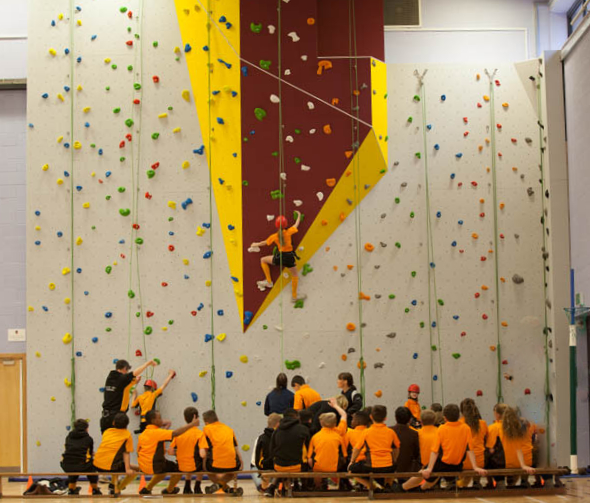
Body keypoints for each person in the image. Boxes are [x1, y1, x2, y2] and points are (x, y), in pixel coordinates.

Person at [400, 403, 486, 492]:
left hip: (444, 464)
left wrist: (429, 468)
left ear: (445, 418)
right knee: (433, 475)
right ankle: (421, 489)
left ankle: (403, 488)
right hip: (457, 466)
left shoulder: (442, 428)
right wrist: (475, 467)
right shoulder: (466, 428)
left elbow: (435, 451)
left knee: (424, 472)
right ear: (459, 415)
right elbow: (470, 449)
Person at [137, 410, 199, 495]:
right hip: (155, 466)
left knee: (164, 467)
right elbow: (175, 433)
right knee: (179, 468)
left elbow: (139, 451)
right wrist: (191, 424)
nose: (162, 420)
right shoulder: (158, 432)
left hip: (143, 466)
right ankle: (169, 490)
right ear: (153, 421)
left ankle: (147, 488)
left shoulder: (142, 434)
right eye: (159, 418)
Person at [250, 210, 306, 302]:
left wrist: (255, 244)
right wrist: (299, 215)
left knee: (263, 260)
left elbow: (264, 242)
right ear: (286, 224)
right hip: (289, 257)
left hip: (280, 257)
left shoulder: (275, 236)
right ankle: (294, 296)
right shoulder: (289, 232)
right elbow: (296, 224)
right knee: (295, 275)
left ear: (276, 225)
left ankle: (269, 281)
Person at [348, 405, 399, 491]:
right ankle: (387, 484)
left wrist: (352, 461)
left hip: (370, 466)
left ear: (371, 417)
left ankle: (370, 486)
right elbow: (396, 448)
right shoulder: (391, 432)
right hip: (388, 466)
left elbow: (357, 449)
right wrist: (394, 459)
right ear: (385, 418)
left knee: (351, 471)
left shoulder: (366, 432)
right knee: (394, 467)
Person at [100, 359, 157, 433]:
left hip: (105, 417)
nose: (126, 373)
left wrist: (135, 382)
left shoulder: (110, 378)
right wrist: (148, 363)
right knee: (119, 440)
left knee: (107, 441)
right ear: (124, 368)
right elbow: (134, 373)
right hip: (116, 418)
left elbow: (123, 387)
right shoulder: (121, 378)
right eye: (126, 371)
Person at [266, 409, 311, 497]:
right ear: (297, 417)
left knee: (283, 460)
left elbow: (271, 450)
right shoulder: (303, 429)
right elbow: (309, 449)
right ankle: (304, 486)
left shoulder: (276, 431)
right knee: (307, 461)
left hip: (279, 466)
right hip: (298, 467)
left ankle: (272, 487)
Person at [199, 410, 244, 496]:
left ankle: (218, 485)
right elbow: (235, 448)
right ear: (217, 418)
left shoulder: (206, 429)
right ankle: (226, 488)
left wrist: (204, 465)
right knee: (232, 471)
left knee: (208, 470)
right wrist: (241, 462)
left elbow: (203, 454)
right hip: (234, 465)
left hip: (214, 466)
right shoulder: (229, 429)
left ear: (206, 422)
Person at [93, 413, 137, 495]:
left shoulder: (107, 431)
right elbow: (126, 453)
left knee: (118, 462)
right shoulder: (127, 435)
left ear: (113, 423)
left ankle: (112, 485)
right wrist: (128, 469)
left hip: (97, 464)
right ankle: (118, 488)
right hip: (110, 466)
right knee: (133, 472)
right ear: (127, 424)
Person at [167, 407, 204, 494]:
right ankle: (197, 487)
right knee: (201, 460)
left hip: (181, 466)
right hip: (195, 467)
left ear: (184, 418)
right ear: (196, 418)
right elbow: (202, 454)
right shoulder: (200, 434)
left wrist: (181, 452)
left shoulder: (179, 433)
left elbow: (170, 452)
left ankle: (187, 486)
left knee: (189, 458)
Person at [60, 419, 100, 495]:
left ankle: (71, 489)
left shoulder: (68, 437)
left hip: (66, 464)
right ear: (86, 428)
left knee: (73, 464)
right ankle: (95, 489)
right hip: (82, 465)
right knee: (92, 468)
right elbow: (90, 453)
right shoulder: (88, 439)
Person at [308, 413, 347, 489]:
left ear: (321, 423)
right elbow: (344, 455)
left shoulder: (315, 437)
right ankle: (335, 485)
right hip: (335, 468)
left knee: (314, 465)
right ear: (335, 423)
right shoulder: (339, 437)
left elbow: (309, 458)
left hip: (318, 468)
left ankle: (317, 486)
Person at [500, 407, 536, 483]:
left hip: (506, 462)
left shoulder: (499, 428)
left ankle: (509, 481)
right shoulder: (527, 427)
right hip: (525, 459)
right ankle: (525, 480)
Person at [459, 398, 488, 489]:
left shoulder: (459, 424)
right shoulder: (482, 423)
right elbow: (486, 439)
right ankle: (477, 483)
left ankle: (461, 485)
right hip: (479, 461)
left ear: (462, 411)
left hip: (463, 462)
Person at [254, 413, 281, 492]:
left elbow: (257, 456)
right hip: (278, 465)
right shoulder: (280, 436)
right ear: (278, 424)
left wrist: (259, 468)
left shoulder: (261, 437)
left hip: (265, 465)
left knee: (265, 474)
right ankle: (281, 486)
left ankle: (264, 487)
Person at [391, 407, 421, 474]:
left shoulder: (389, 431)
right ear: (410, 420)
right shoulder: (414, 434)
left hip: (391, 469)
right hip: (409, 471)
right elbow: (417, 453)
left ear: (395, 418)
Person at [486, 403, 507, 489]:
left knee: (486, 457)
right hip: (517, 460)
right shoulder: (515, 427)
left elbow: (490, 448)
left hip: (502, 462)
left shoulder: (493, 427)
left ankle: (496, 482)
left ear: (497, 414)